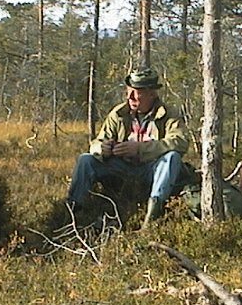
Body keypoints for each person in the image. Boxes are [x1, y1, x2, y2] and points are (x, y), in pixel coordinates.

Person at [67, 67, 190, 229]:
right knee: (85, 160)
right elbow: (96, 143)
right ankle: (72, 213)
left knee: (172, 157)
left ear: (152, 93)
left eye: (137, 92)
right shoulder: (118, 114)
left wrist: (140, 149)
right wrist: (102, 148)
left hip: (150, 173)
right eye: (128, 91)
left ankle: (152, 215)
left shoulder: (168, 115)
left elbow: (180, 141)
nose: (130, 97)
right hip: (121, 172)